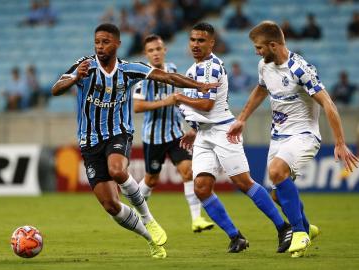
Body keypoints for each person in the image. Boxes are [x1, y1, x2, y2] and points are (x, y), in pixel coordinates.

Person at [51, 23, 219, 259]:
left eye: (106, 42)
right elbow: (55, 89)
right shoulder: (84, 66)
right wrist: (74, 78)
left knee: (117, 170)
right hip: (89, 142)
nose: (100, 47)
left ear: (118, 44)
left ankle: (148, 218)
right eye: (97, 42)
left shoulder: (129, 69)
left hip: (118, 133)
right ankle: (151, 240)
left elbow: (169, 77)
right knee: (111, 206)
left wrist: (200, 85)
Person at [227, 21, 359, 257]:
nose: (256, 52)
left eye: (259, 47)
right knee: (278, 194)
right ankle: (307, 226)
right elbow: (261, 89)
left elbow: (328, 103)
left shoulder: (300, 69)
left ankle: (299, 232)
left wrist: (339, 141)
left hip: (304, 135)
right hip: (278, 136)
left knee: (277, 172)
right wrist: (242, 118)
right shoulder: (264, 66)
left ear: (273, 45)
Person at [175, 22, 292, 253]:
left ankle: (283, 227)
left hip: (223, 131)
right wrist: (196, 128)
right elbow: (204, 111)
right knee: (201, 187)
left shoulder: (212, 67)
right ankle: (235, 236)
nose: (195, 44)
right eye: (192, 40)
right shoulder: (192, 71)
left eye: (201, 40)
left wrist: (178, 98)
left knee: (243, 182)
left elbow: (207, 105)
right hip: (205, 134)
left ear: (212, 43)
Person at [133, 34, 214, 233]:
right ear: (146, 54)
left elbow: (179, 100)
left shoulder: (173, 70)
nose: (155, 53)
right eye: (151, 50)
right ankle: (136, 213)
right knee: (152, 179)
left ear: (164, 50)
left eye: (158, 49)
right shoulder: (141, 76)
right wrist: (165, 102)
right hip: (153, 137)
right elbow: (137, 106)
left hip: (175, 133)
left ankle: (197, 220)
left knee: (188, 171)